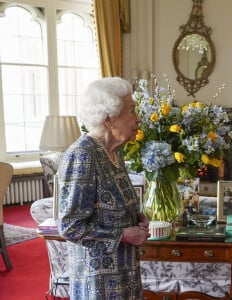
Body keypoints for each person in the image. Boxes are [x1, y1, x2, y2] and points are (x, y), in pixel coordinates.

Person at [57, 77, 150, 299]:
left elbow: (108, 207)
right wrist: (123, 235)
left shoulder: (114, 151)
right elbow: (70, 227)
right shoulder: (82, 155)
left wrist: (137, 219)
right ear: (109, 119)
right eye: (131, 111)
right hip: (97, 281)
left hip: (125, 272)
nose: (138, 119)